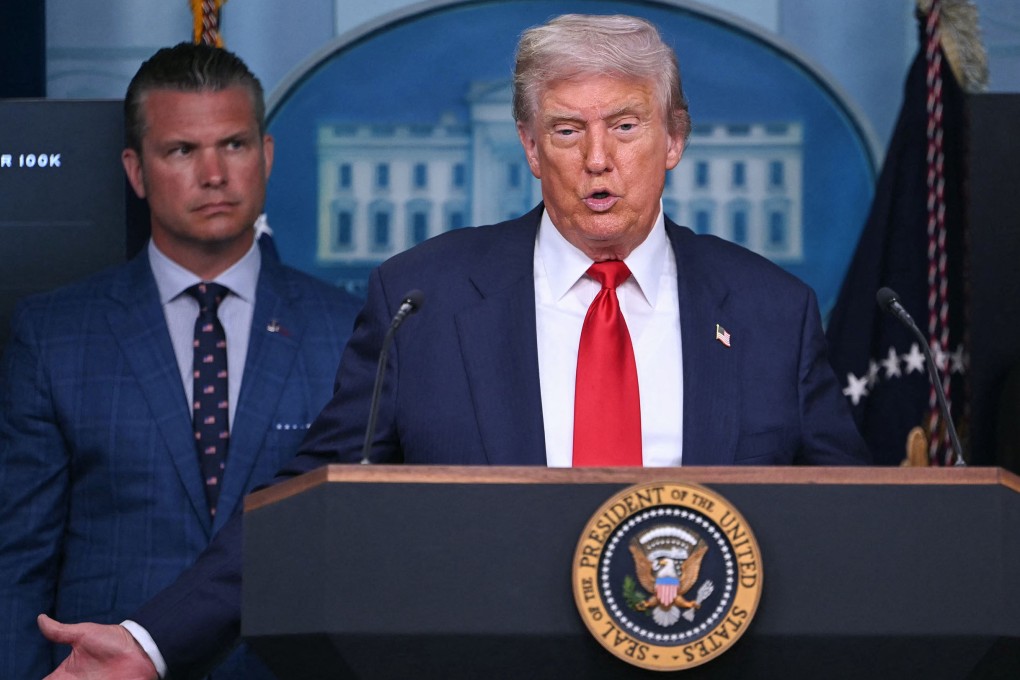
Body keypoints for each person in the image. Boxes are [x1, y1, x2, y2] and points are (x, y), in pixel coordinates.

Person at [38, 14, 870, 679]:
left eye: (625, 125)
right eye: (567, 130)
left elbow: (856, 526)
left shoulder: (770, 312)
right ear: (530, 147)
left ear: (674, 138)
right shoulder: (423, 301)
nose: (599, 160)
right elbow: (307, 508)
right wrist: (152, 641)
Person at [0, 42, 361, 679]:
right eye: (182, 150)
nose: (214, 174)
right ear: (137, 171)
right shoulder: (54, 335)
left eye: (234, 145)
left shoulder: (351, 330)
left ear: (266, 155)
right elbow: (17, 566)